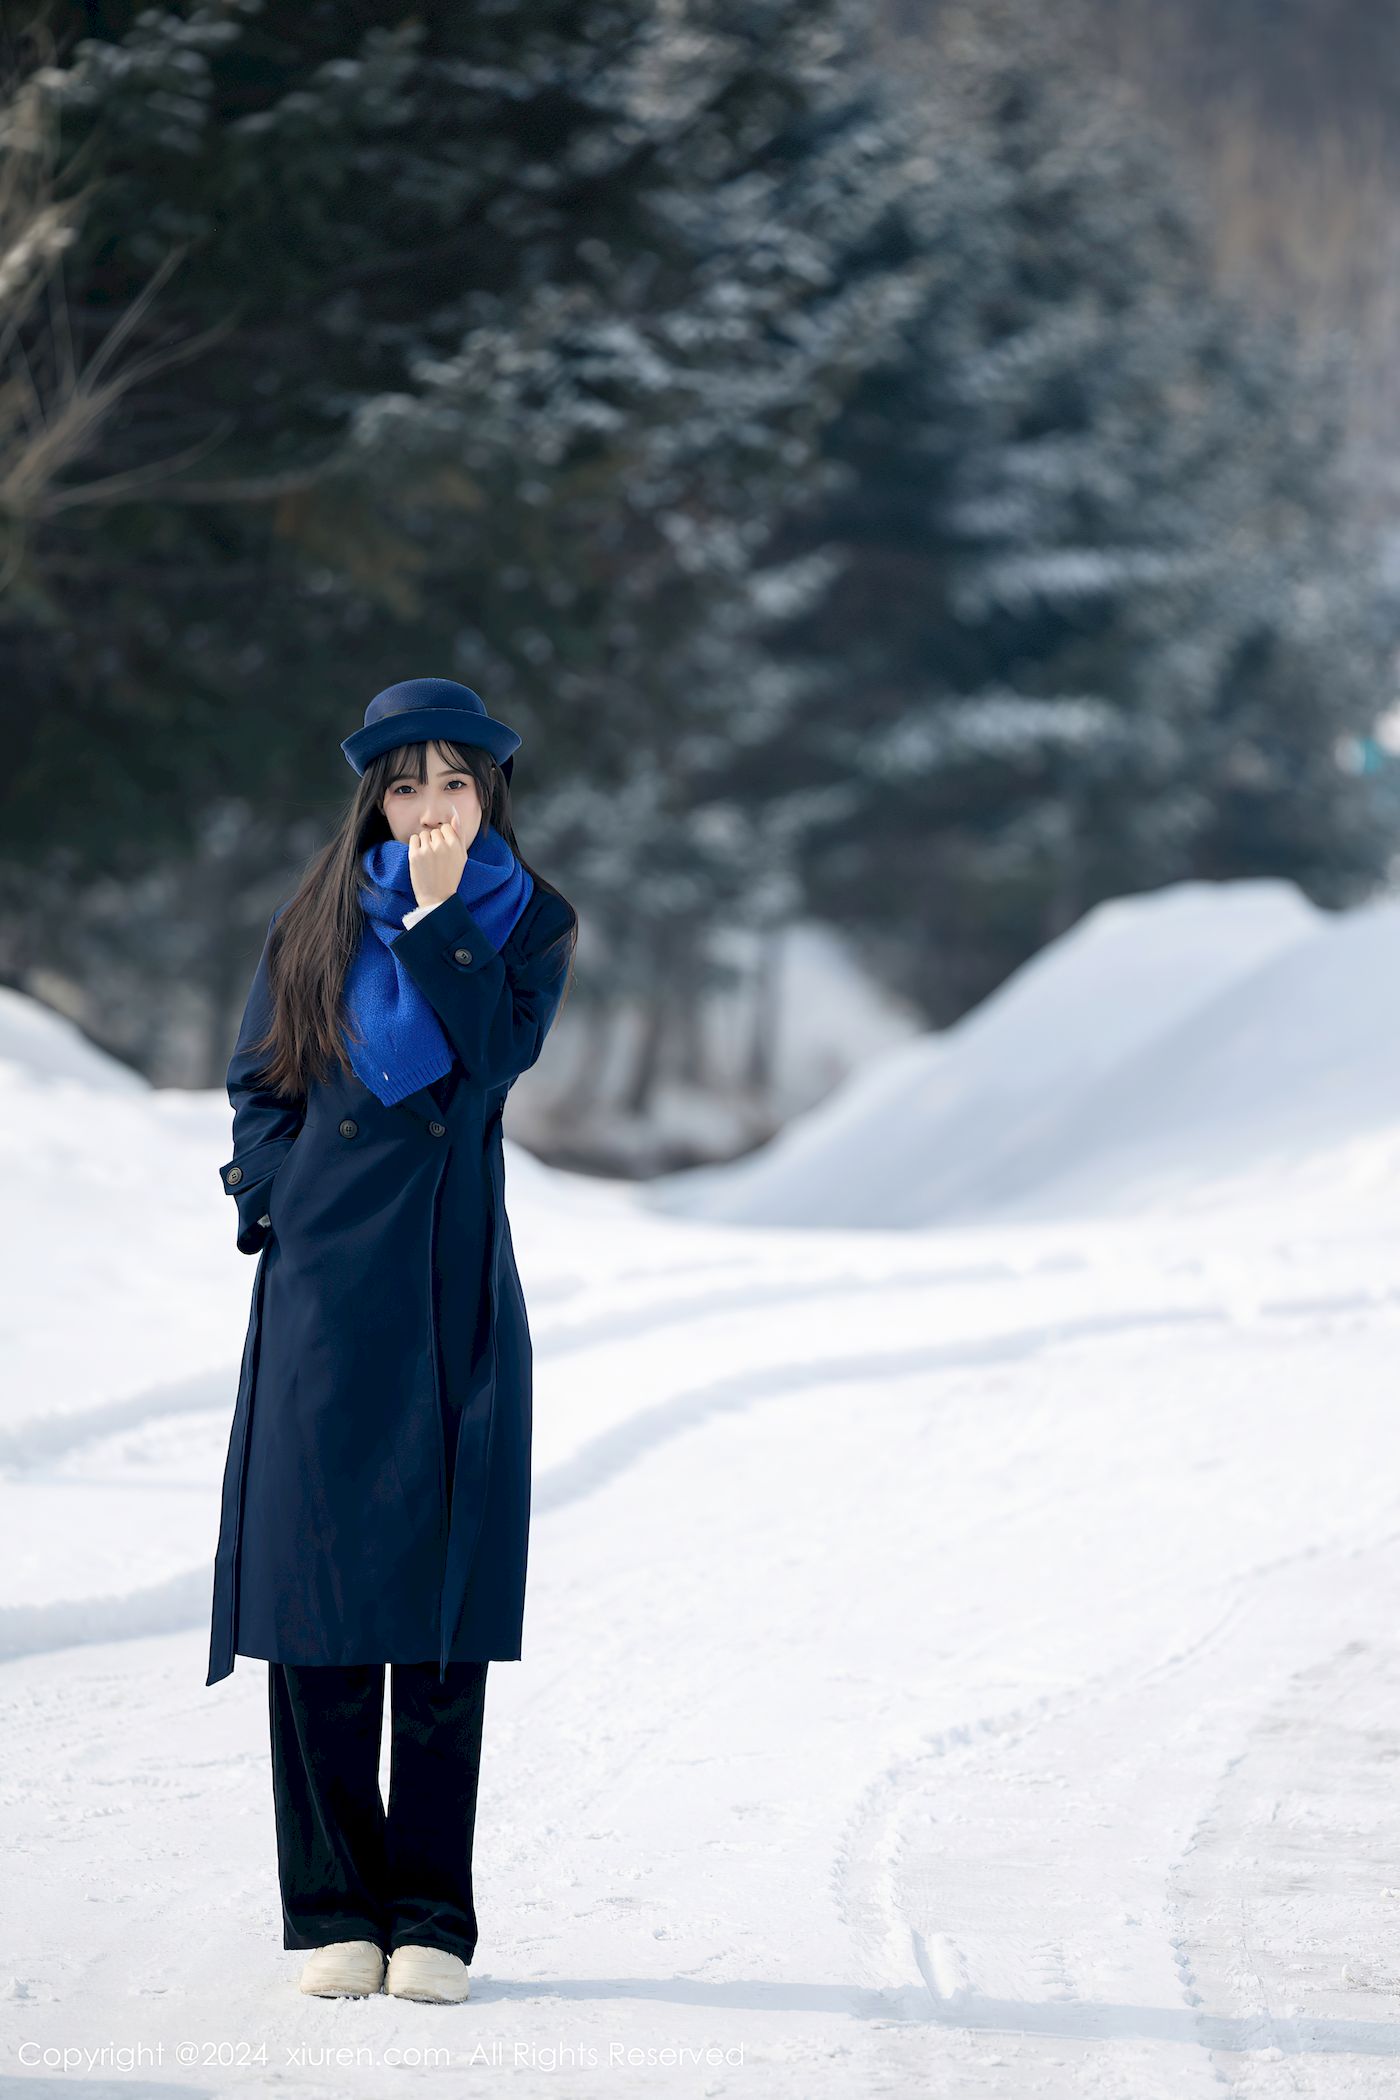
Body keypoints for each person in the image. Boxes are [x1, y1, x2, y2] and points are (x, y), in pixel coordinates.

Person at [205, 678, 577, 2003]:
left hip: (446, 1284)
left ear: (492, 800)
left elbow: (488, 1066)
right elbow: (261, 1080)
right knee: (314, 1596)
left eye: (457, 786)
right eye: (409, 786)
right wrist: (274, 1196)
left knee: (436, 1600)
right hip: (322, 1284)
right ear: (376, 795)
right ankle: (328, 1913)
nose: (431, 812)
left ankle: (430, 1914)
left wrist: (434, 927)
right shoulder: (310, 918)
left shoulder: (526, 924)